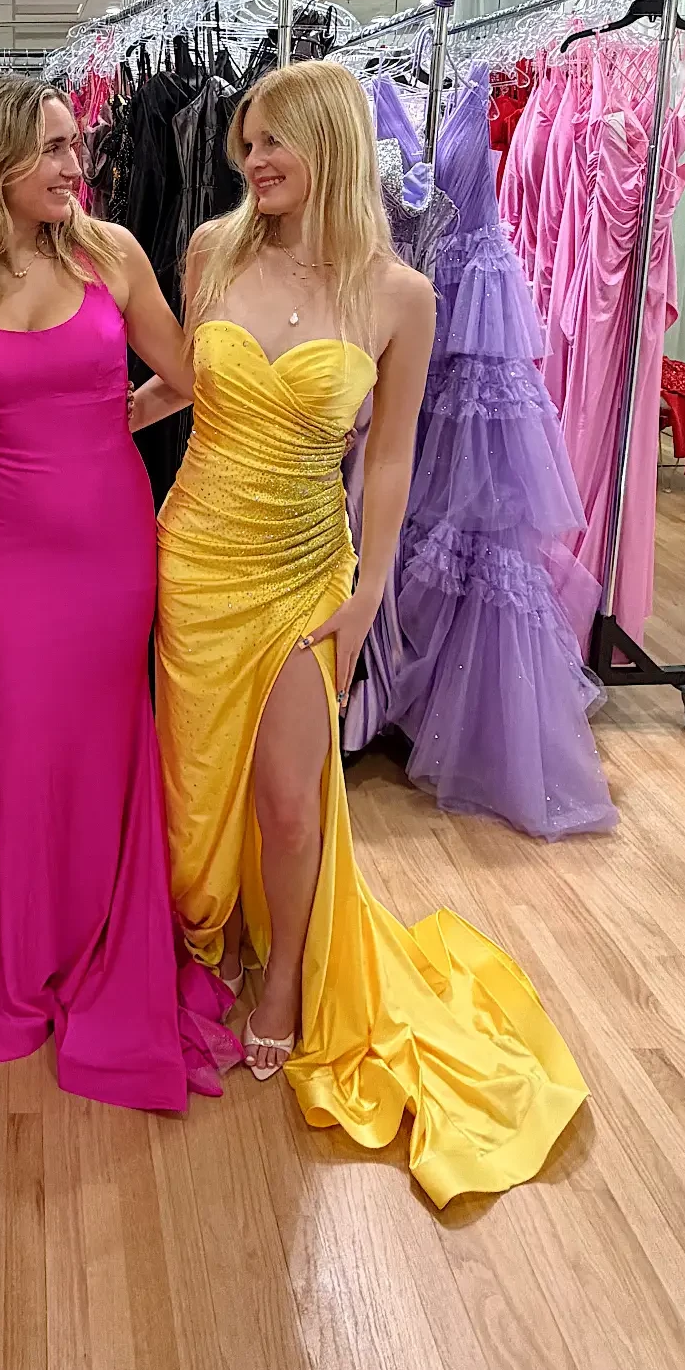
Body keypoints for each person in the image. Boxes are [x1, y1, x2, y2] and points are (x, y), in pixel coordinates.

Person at [131, 60, 589, 1207]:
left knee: (291, 795)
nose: (255, 159)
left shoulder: (401, 294)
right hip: (193, 553)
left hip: (303, 570)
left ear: (332, 140)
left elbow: (388, 452)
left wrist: (374, 578)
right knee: (197, 790)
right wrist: (110, 409)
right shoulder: (211, 251)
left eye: (275, 138)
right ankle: (216, 929)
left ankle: (285, 971)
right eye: (246, 142)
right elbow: (194, 379)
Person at [0, 76, 229, 1111]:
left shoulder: (112, 252)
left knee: (105, 736)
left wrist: (101, 421)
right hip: (7, 545)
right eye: (50, 148)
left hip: (108, 534)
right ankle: (15, 948)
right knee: (15, 735)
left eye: (74, 145)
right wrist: (46, 434)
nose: (72, 165)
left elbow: (182, 375)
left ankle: (101, 936)